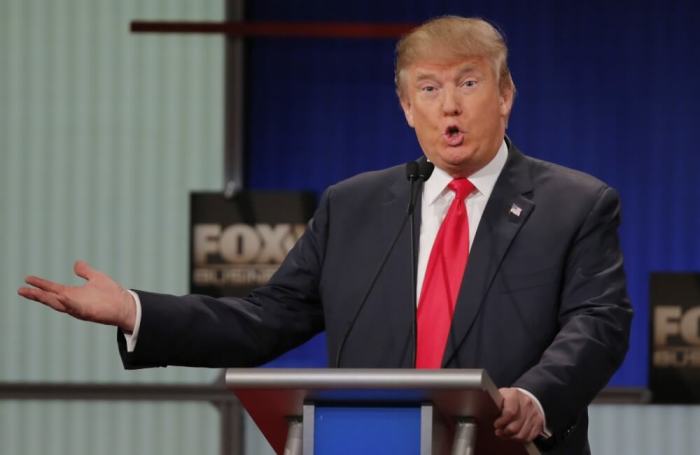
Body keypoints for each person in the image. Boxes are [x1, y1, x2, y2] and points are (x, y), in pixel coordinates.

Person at [18, 16, 632, 454]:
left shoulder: (574, 204)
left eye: (468, 84)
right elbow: (264, 322)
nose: (449, 106)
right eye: (429, 87)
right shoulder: (354, 206)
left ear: (505, 96)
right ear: (405, 106)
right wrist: (133, 310)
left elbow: (597, 323)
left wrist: (535, 396)